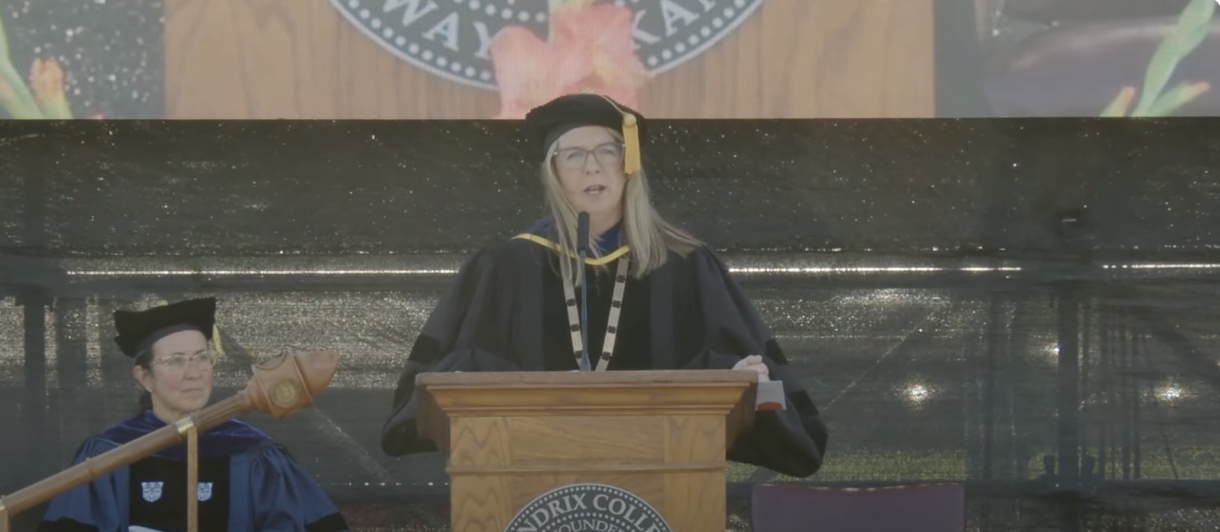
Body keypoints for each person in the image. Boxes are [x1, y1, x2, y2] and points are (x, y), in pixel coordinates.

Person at [381, 93, 829, 477]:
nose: (591, 166)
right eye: (573, 154)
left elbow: (728, 365)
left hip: (663, 468)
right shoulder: (505, 266)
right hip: (529, 471)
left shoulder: (686, 265)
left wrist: (738, 380)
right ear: (553, 172)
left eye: (607, 151)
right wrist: (459, 383)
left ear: (628, 163)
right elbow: (452, 371)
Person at [38, 297, 349, 532]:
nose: (194, 373)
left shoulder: (255, 454)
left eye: (203, 358)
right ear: (144, 377)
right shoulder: (108, 455)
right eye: (175, 361)